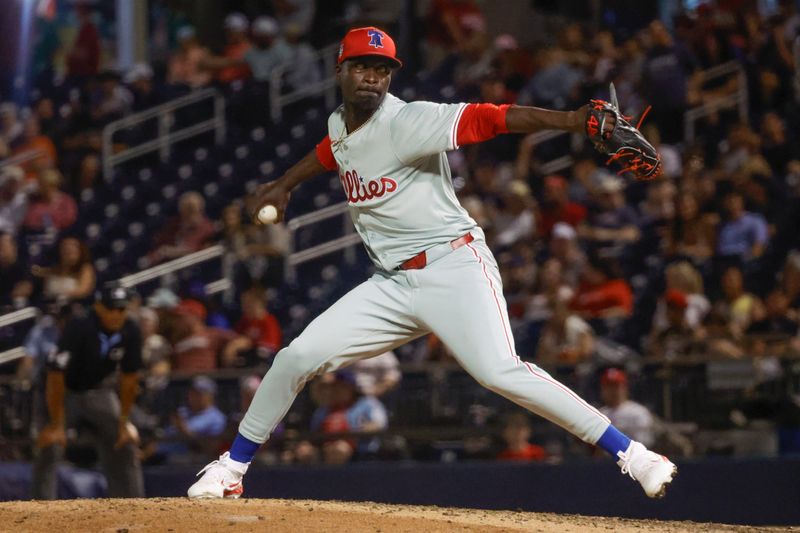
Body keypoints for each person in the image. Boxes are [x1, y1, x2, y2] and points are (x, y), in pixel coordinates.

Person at [189, 26, 676, 500]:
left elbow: (492, 117)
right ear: (341, 70)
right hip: (391, 285)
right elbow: (332, 151)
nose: (373, 78)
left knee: (499, 372)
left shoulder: (408, 120)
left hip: (453, 267)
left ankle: (633, 455)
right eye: (362, 67)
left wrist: (572, 120)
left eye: (382, 70)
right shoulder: (340, 122)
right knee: (294, 357)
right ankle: (232, 467)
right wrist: (285, 183)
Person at [31, 284, 144, 499]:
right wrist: (56, 424)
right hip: (62, 391)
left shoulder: (131, 330)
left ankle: (132, 505)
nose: (116, 314)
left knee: (124, 442)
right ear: (99, 308)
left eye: (121, 309)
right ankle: (40, 507)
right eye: (111, 308)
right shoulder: (80, 325)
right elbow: (55, 375)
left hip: (98, 391)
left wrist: (124, 421)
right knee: (50, 443)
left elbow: (129, 379)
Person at [598, 368, 656, 449]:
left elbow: (645, 444)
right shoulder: (600, 414)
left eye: (616, 386)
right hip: (604, 460)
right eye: (609, 386)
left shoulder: (638, 412)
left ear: (625, 388)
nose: (613, 391)